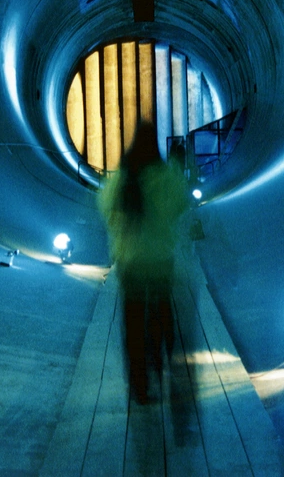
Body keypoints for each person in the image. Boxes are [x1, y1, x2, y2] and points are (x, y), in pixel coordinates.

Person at [98, 121, 189, 404]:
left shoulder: (121, 179)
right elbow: (180, 204)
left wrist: (121, 234)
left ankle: (139, 386)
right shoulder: (165, 177)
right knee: (162, 316)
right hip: (160, 261)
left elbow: (104, 208)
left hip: (130, 263)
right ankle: (161, 366)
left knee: (133, 323)